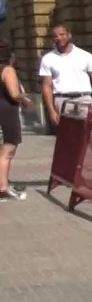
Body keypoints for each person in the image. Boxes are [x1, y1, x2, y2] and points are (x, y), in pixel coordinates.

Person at [38, 23, 92, 131]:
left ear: (69, 35)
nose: (58, 38)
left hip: (84, 99)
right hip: (63, 101)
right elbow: (46, 86)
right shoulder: (48, 59)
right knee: (69, 138)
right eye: (55, 36)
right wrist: (51, 111)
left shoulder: (85, 56)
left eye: (61, 34)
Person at [0, 46, 26, 200]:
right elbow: (14, 94)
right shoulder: (7, 70)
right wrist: (24, 98)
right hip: (7, 113)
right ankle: (3, 188)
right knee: (7, 152)